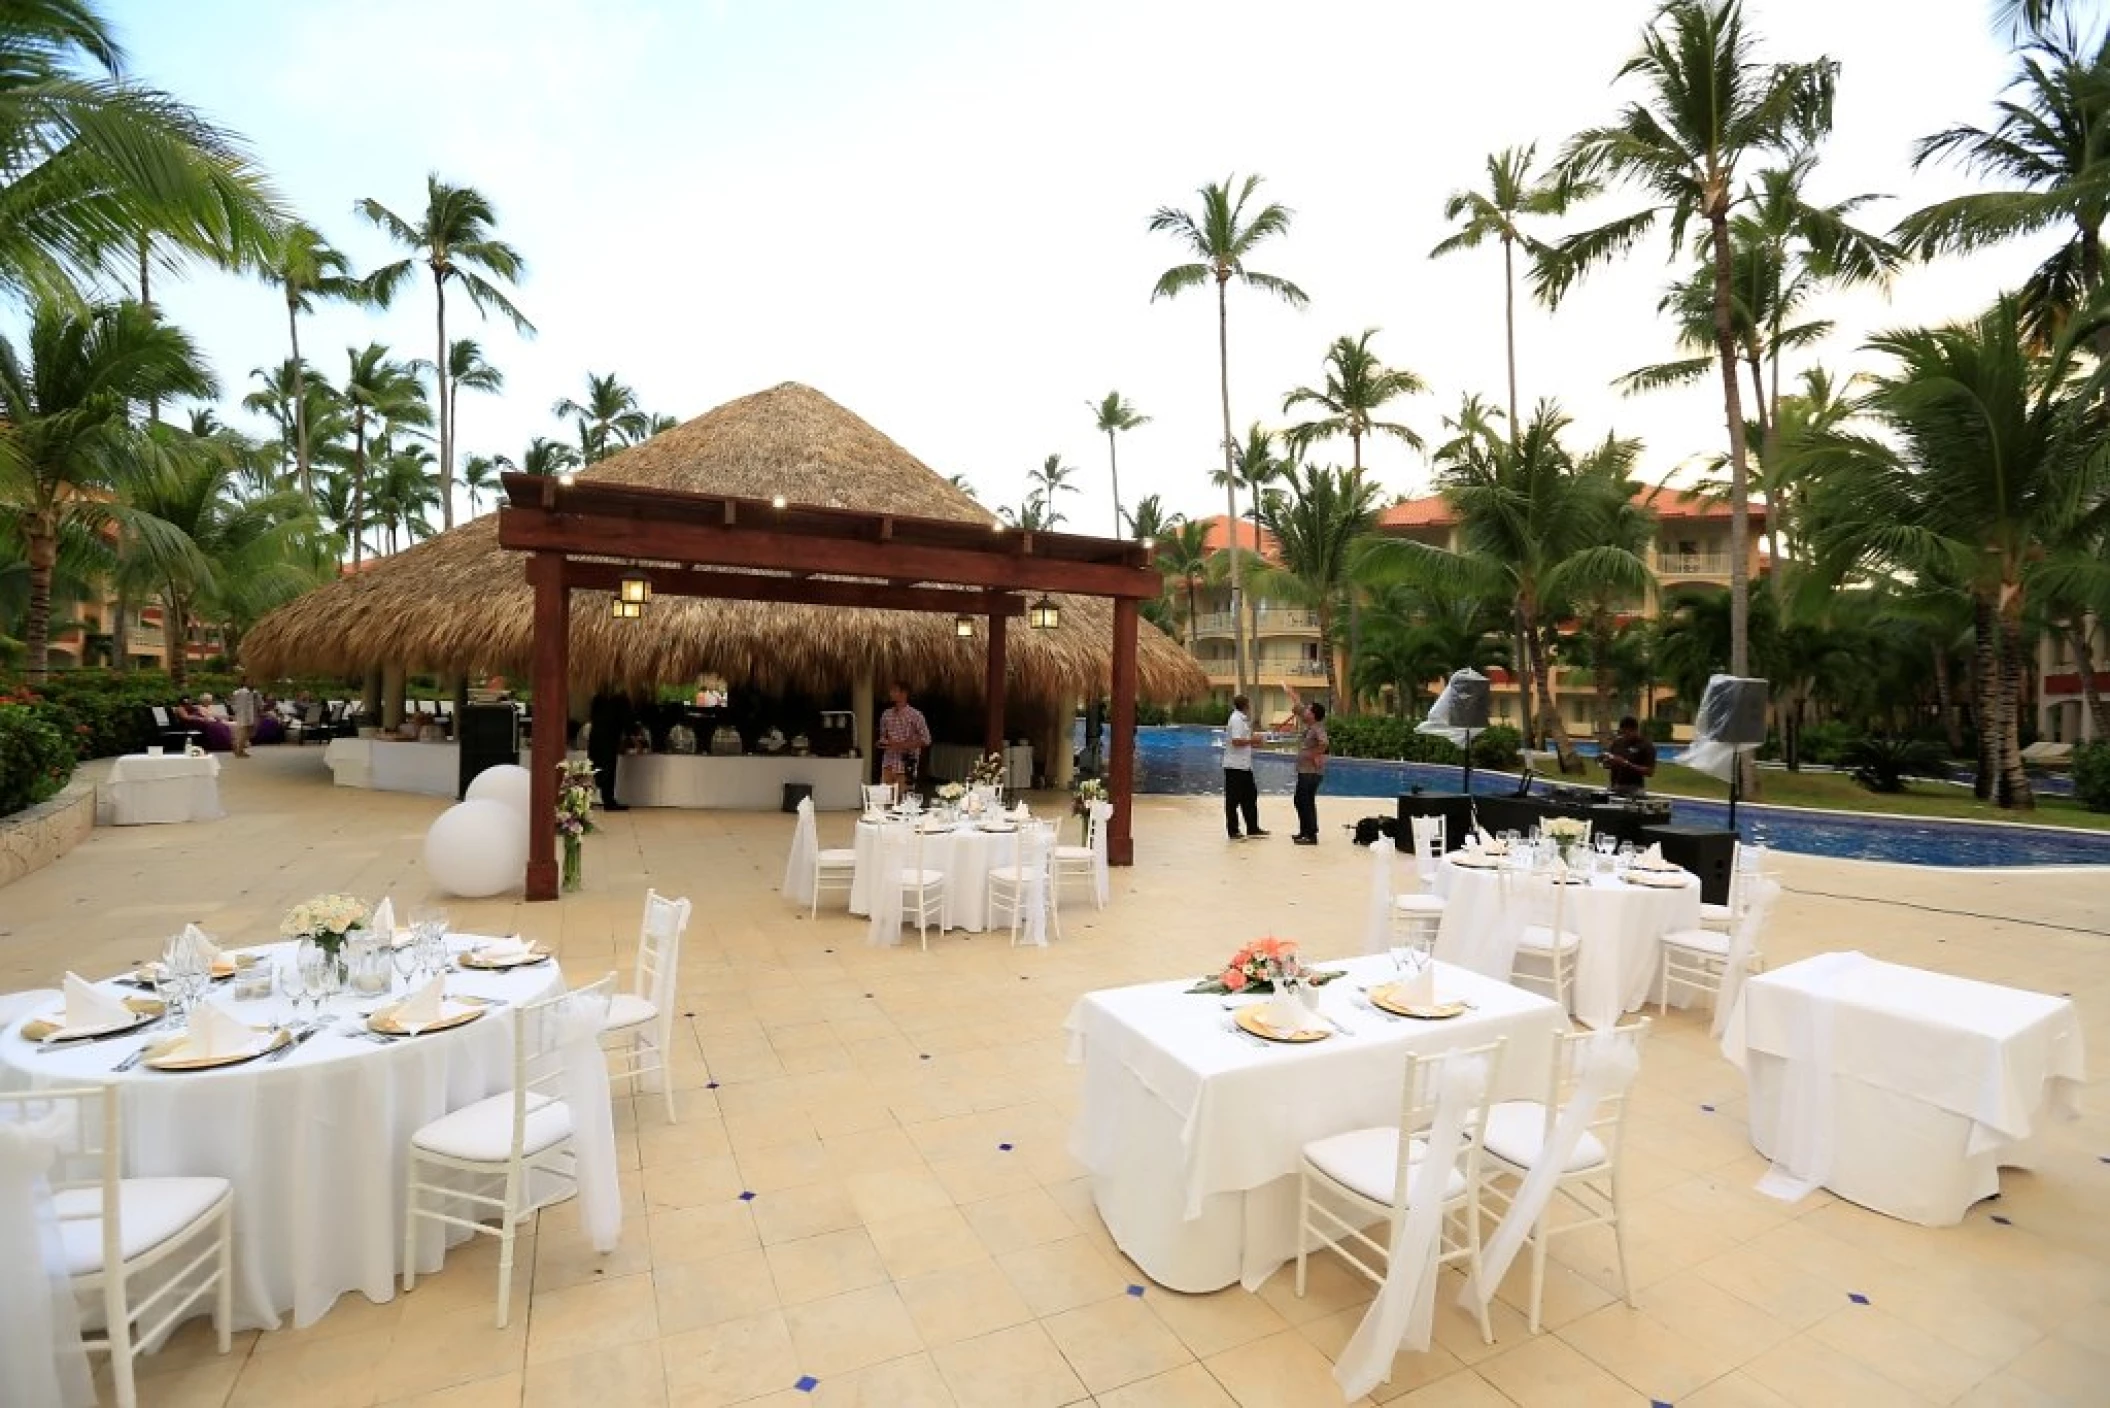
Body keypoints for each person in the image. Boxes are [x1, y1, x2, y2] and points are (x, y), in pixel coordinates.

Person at [1281, 685, 1328, 845]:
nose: (1305, 711)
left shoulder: (1317, 728)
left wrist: (1315, 755)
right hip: (1305, 770)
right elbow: (1299, 707)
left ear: (1313, 715)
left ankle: (1311, 835)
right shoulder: (1310, 726)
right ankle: (1304, 831)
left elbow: (1324, 743)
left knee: (1305, 800)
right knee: (1300, 800)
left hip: (1311, 772)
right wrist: (1291, 694)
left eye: (1308, 709)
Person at [1222, 694, 1267, 840]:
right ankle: (1233, 831)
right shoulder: (1236, 720)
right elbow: (1236, 741)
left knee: (1250, 796)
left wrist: (1254, 741)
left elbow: (1244, 740)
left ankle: (1253, 827)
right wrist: (1251, 740)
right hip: (1235, 766)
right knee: (1233, 799)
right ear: (1246, 705)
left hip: (1245, 766)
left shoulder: (1242, 720)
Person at [877, 682, 931, 794]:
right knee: (885, 799)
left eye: (894, 690)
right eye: (890, 690)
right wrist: (882, 743)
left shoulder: (915, 715)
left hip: (906, 765)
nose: (891, 693)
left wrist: (901, 745)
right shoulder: (886, 714)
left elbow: (926, 739)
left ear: (904, 693)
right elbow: (883, 736)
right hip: (888, 763)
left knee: (904, 802)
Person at [588, 690, 634, 810]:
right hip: (609, 738)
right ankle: (608, 801)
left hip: (595, 737)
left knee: (595, 767)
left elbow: (591, 716)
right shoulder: (621, 699)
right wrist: (630, 736)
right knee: (608, 769)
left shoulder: (598, 697)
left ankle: (587, 798)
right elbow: (628, 721)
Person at [1603, 715, 1658, 796]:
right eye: (1622, 733)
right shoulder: (1617, 743)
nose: (1624, 736)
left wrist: (1626, 764)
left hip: (1635, 789)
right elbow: (1609, 764)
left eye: (1627, 733)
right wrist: (1607, 762)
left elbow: (1649, 772)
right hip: (1615, 787)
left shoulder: (1646, 746)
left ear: (1635, 730)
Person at [229, 675, 260, 757]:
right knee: (242, 733)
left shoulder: (256, 693)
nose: (252, 682)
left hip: (253, 715)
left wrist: (259, 712)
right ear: (244, 682)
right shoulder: (238, 692)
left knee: (249, 734)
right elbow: (232, 703)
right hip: (242, 715)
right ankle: (239, 750)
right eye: (250, 681)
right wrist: (236, 711)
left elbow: (259, 704)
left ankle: (237, 747)